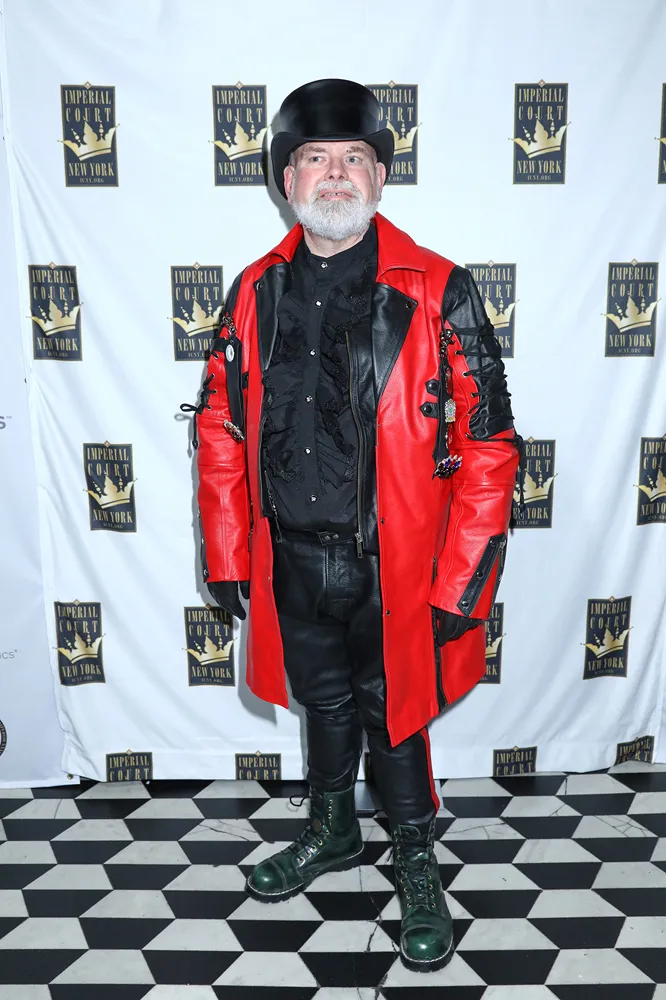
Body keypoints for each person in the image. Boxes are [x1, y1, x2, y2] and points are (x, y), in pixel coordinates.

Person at [186, 78, 520, 973]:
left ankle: (415, 860)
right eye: (315, 159)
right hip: (291, 553)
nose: (335, 175)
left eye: (354, 159)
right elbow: (219, 426)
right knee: (324, 702)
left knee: (394, 713)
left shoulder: (439, 289)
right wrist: (228, 551)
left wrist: (462, 581)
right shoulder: (253, 291)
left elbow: (489, 446)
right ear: (285, 178)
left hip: (396, 562)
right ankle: (333, 832)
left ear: (379, 176)